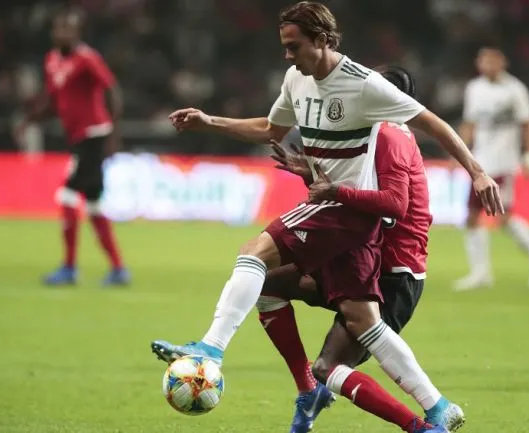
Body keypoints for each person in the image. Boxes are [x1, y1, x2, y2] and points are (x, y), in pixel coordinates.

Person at [153, 3, 502, 432]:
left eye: (293, 46)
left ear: (322, 39)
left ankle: (211, 348)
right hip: (355, 228)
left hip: (353, 221)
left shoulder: (369, 93)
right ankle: (433, 411)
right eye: (283, 46)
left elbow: (432, 125)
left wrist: (478, 171)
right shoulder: (296, 79)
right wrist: (211, 122)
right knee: (360, 323)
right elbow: (270, 128)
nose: (286, 55)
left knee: (255, 254)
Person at [256, 66, 465, 433]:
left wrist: (332, 191)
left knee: (329, 367)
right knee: (267, 283)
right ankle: (309, 391)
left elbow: (392, 205)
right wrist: (312, 176)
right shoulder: (378, 134)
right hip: (361, 260)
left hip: (392, 273)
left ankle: (426, 420)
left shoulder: (388, 135)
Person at [15, 8, 129, 287]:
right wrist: (29, 121)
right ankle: (118, 269)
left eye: (69, 29)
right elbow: (53, 101)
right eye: (59, 28)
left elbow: (113, 90)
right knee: (93, 205)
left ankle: (69, 268)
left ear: (77, 33)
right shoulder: (52, 60)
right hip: (78, 137)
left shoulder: (87, 58)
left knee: (67, 196)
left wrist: (113, 134)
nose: (63, 33)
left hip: (94, 135)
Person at [453, 45, 529, 291]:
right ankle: (481, 273)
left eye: (492, 61)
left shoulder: (515, 90)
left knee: (504, 218)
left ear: (502, 63)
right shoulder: (474, 89)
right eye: (483, 60)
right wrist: (460, 151)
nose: (487, 65)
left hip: (504, 162)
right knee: (473, 216)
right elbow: (470, 123)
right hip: (480, 162)